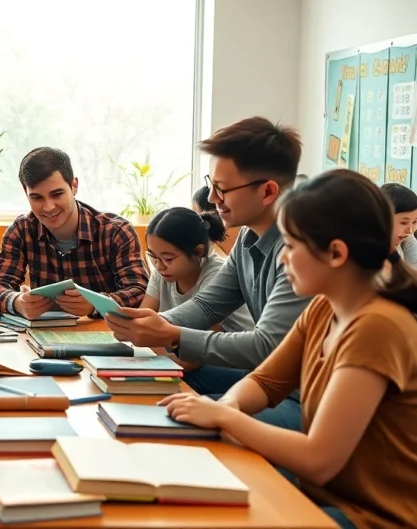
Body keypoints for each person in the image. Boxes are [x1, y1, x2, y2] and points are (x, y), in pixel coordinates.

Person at [161, 169, 417, 529]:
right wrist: (227, 406)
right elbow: (265, 381)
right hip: (323, 496)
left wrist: (225, 417)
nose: (282, 259)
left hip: (370, 516)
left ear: (336, 253)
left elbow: (319, 460)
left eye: (292, 247)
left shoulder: (378, 325)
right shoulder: (323, 306)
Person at [106, 116, 311, 430]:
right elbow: (207, 306)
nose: (212, 199)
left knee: (180, 415)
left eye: (222, 189)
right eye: (211, 185)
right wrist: (152, 323)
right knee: (162, 381)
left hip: (303, 397)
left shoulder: (301, 253)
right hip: (265, 379)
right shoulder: (248, 237)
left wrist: (171, 334)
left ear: (268, 191)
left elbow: (267, 345)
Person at [0, 147, 148, 319]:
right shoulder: (21, 230)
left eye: (57, 194)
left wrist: (95, 303)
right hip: (45, 333)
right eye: (37, 197)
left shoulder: (115, 232)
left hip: (107, 331)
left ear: (74, 186)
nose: (48, 207)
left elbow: (139, 291)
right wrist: (16, 301)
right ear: (26, 193)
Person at [141, 207, 253, 333]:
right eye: (153, 256)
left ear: (198, 251)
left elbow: (204, 337)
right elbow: (144, 314)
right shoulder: (163, 270)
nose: (159, 266)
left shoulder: (217, 274)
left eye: (168, 258)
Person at [378, 182, 417, 265]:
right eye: (404, 222)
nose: (410, 231)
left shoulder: (406, 239)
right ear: (382, 218)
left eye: (415, 222)